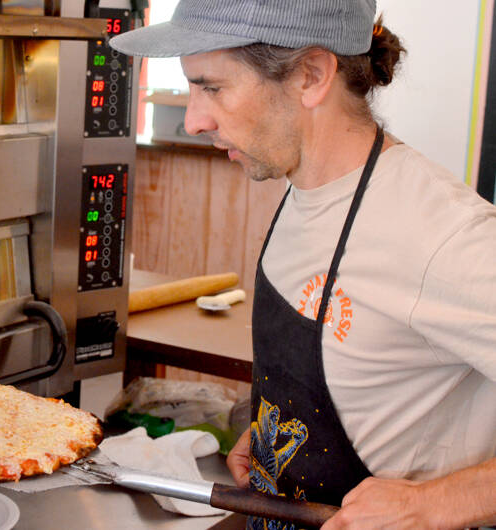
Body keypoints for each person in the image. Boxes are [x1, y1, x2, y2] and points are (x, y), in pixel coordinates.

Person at [110, 1, 496, 528]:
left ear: (311, 76)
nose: (195, 120)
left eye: (212, 88)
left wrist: (432, 503)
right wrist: (277, 435)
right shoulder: (304, 187)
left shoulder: (442, 235)